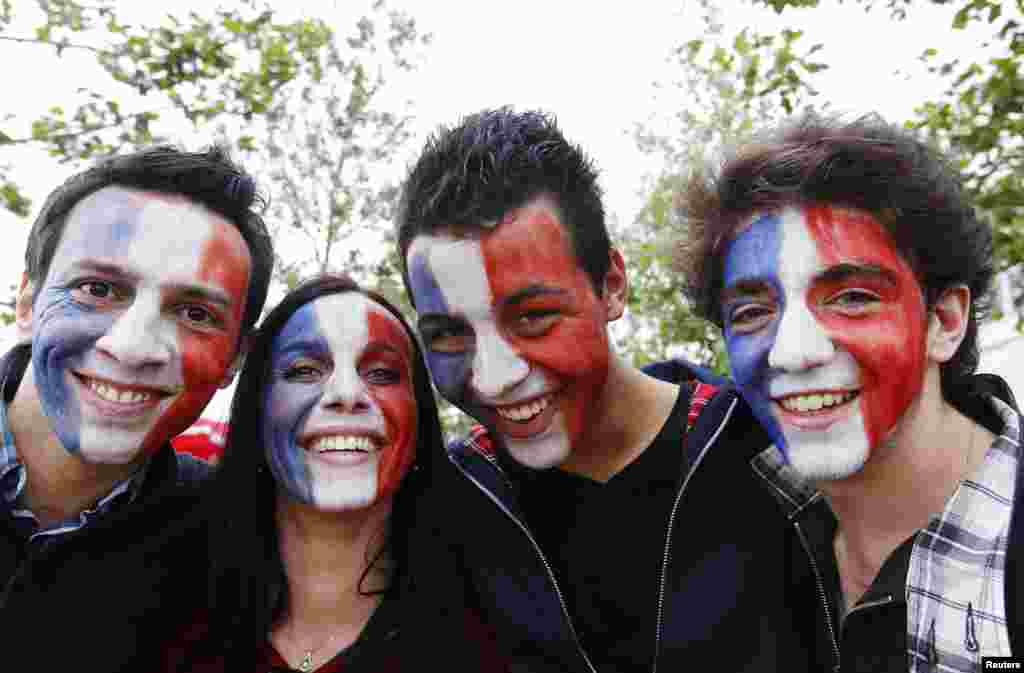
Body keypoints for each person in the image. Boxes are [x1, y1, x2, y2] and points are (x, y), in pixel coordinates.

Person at [396, 107, 805, 672]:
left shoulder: (776, 458)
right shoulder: (444, 509)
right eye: (448, 335)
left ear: (611, 286)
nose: (493, 375)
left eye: (533, 316)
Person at [674, 113, 1022, 670]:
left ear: (944, 321)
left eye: (853, 297)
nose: (791, 352)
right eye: (752, 312)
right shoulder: (733, 491)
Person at [0, 146, 273, 669]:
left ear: (235, 358)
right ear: (28, 303)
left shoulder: (234, 548)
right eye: (98, 289)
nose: (131, 346)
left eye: (194, 312)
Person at [159, 273, 509, 672]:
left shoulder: (499, 629)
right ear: (259, 404)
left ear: (419, 415)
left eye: (381, 373)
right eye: (304, 370)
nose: (346, 393)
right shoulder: (159, 602)